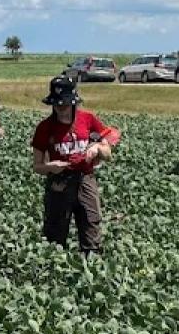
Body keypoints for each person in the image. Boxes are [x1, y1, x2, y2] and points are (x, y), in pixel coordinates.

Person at [31, 76, 121, 252]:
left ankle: (92, 268)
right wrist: (51, 166)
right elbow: (37, 166)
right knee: (55, 235)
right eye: (56, 105)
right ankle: (55, 271)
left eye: (63, 104)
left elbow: (108, 154)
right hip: (58, 183)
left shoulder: (88, 120)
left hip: (85, 180)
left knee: (91, 227)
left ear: (73, 103)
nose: (59, 108)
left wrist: (97, 149)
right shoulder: (44, 128)